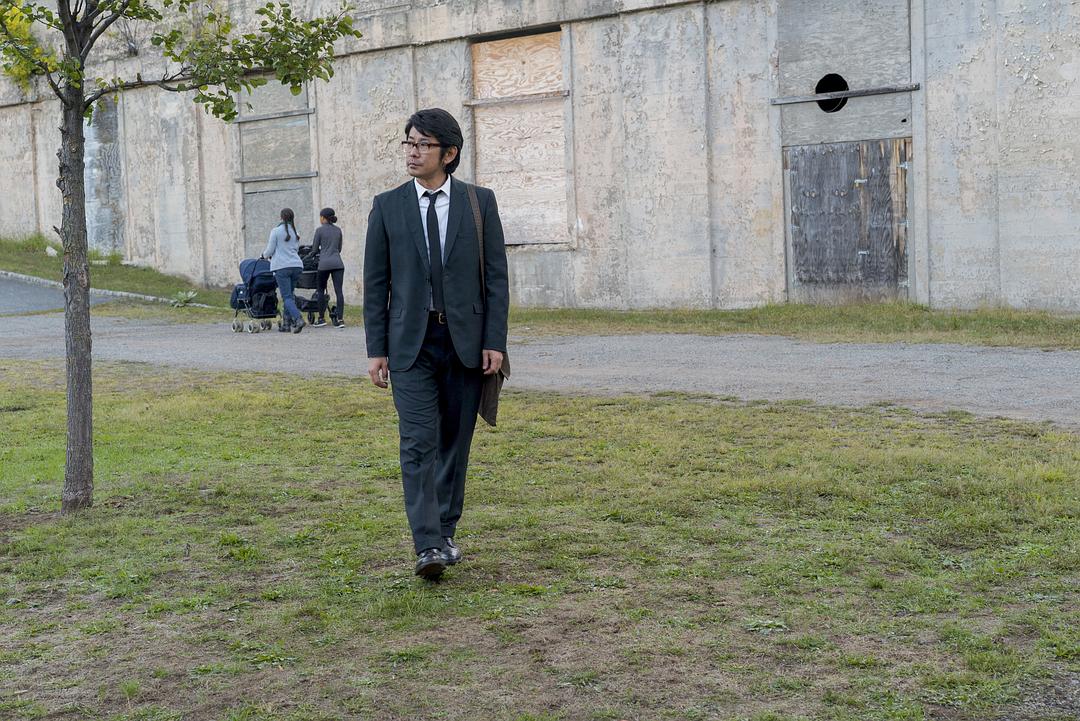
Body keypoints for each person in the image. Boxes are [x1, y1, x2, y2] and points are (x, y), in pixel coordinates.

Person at [364, 108, 509, 579]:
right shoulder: (387, 206)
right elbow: (376, 283)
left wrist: (495, 340)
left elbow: (496, 279)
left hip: (465, 343)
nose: (412, 152)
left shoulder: (478, 203)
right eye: (408, 142)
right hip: (411, 345)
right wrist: (376, 348)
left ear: (449, 153)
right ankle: (426, 544)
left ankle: (445, 530)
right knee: (417, 441)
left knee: (454, 443)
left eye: (423, 144)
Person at [261, 208, 306, 333]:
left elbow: (270, 250)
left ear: (281, 217)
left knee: (286, 297)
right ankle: (286, 324)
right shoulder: (296, 232)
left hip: (282, 267)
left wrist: (263, 256)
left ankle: (298, 319)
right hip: (296, 266)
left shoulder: (275, 231)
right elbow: (296, 249)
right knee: (290, 295)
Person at [310, 207, 346, 328]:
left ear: (323, 218)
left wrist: (309, 257)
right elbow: (339, 249)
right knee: (339, 291)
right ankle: (340, 319)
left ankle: (321, 318)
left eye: (320, 217)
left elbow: (314, 250)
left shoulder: (319, 230)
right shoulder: (338, 230)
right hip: (338, 264)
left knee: (320, 290)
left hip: (324, 264)